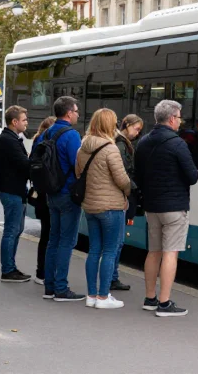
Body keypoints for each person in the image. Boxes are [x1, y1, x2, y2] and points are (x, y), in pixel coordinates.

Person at [134, 100, 198, 317]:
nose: (180, 121)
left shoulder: (143, 142)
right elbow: (192, 176)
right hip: (174, 207)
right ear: (171, 119)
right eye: (179, 117)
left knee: (154, 251)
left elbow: (138, 175)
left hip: (152, 206)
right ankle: (164, 303)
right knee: (170, 253)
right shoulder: (178, 144)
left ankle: (150, 298)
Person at [77, 108, 131, 309]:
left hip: (90, 206)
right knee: (110, 251)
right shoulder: (110, 149)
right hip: (111, 206)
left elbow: (78, 173)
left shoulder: (83, 147)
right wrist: (128, 191)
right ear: (110, 125)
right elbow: (122, 179)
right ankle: (103, 296)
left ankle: (91, 295)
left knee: (94, 250)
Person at [42, 96, 84, 302]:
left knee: (53, 239)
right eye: (76, 111)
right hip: (68, 193)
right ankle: (61, 288)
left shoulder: (47, 132)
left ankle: (49, 286)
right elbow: (78, 165)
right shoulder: (71, 135)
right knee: (67, 241)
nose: (77, 114)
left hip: (51, 192)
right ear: (68, 113)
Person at [0, 105, 32, 283]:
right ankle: (8, 270)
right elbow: (23, 164)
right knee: (11, 231)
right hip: (11, 190)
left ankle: (11, 268)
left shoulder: (10, 139)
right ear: (14, 122)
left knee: (16, 230)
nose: (26, 123)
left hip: (14, 190)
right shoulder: (8, 140)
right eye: (24, 120)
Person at [111, 114, 143, 291]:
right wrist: (134, 188)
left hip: (119, 197)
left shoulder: (121, 143)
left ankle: (112, 277)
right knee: (116, 242)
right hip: (120, 197)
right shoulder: (121, 145)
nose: (137, 134)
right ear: (127, 125)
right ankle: (112, 278)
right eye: (136, 129)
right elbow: (123, 173)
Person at [29, 116, 56, 285]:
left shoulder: (37, 143)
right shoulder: (46, 145)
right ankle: (44, 273)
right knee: (50, 235)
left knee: (46, 234)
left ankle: (41, 271)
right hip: (48, 195)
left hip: (40, 195)